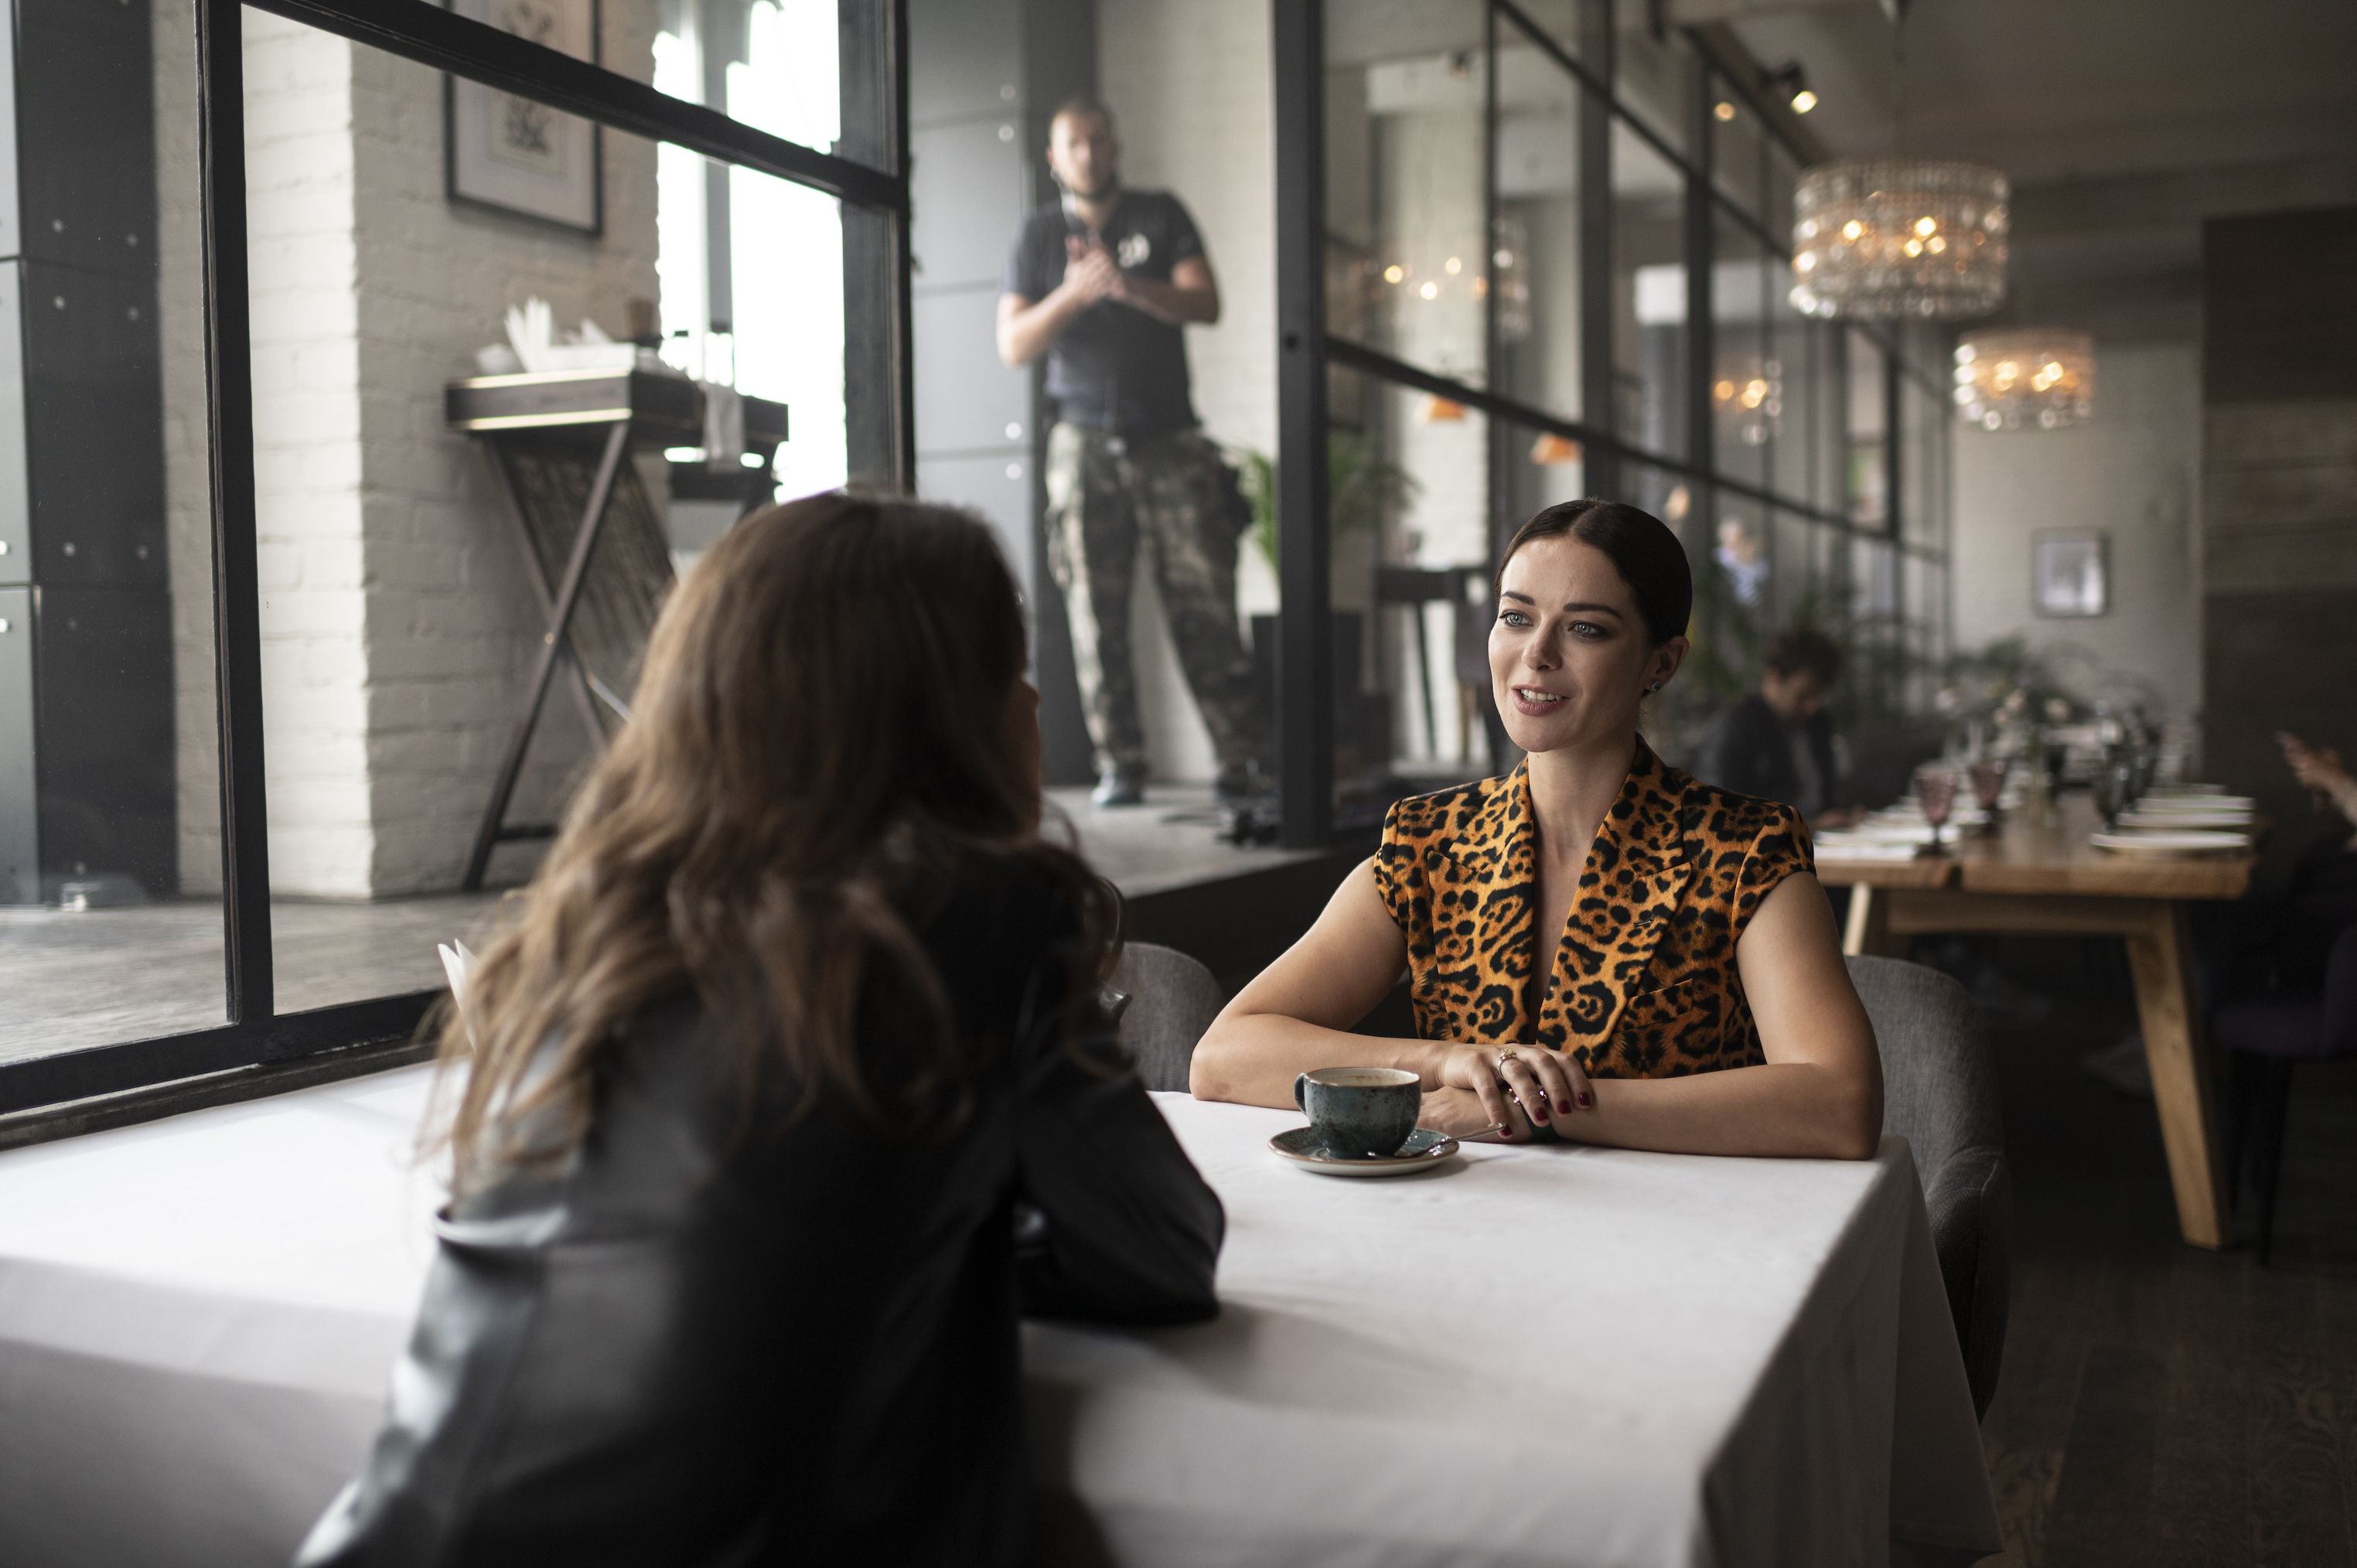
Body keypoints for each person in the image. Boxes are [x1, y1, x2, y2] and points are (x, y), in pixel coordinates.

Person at [295, 496, 1224, 1567]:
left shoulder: (592, 926)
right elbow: (1162, 1253)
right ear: (936, 715)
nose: (1034, 701)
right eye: (1011, 668)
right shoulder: (977, 919)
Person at [1189, 499, 1883, 1157]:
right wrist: (1448, 1063)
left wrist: (1545, 1110)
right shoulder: (1430, 844)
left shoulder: (1744, 853)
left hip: (1682, 1245)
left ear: (1661, 662)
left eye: (1586, 628)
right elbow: (1223, 1060)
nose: (1537, 653)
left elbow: (1841, 1103)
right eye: (1515, 618)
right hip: (1465, 1227)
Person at [998, 97, 1260, 807]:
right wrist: (1075, 294)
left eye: (1097, 140)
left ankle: (1240, 761)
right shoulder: (1039, 235)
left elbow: (1206, 304)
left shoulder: (1160, 213)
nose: (1086, 153)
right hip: (1080, 442)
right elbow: (1014, 343)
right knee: (1094, 611)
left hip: (1169, 437)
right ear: (1054, 158)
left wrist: (1127, 285)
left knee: (1204, 599)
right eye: (1072, 144)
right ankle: (1124, 764)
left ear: (1116, 148)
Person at [1697, 625, 1861, 828]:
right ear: (1773, 678)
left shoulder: (1818, 724)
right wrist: (1812, 826)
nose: (1812, 707)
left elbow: (1825, 798)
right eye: (1803, 696)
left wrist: (1846, 815)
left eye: (1818, 696)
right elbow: (1720, 820)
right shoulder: (1735, 729)